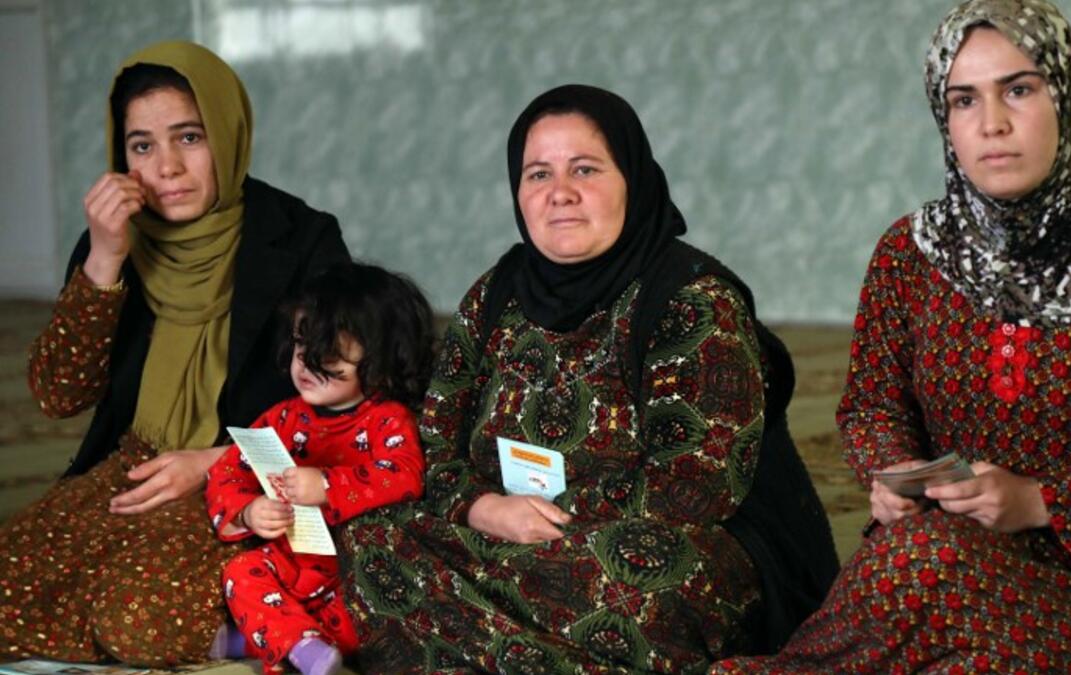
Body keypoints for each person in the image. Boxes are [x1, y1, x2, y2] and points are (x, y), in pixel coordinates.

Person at [712, 0, 1071, 672]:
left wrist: (1041, 503)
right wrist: (890, 475)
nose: (992, 124)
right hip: (939, 556)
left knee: (928, 568)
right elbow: (872, 405)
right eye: (963, 100)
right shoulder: (912, 255)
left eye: (1019, 90)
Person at [334, 84, 837, 674]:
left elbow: (693, 491)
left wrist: (546, 521)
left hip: (642, 544)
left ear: (633, 177)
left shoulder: (689, 300)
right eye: (538, 175)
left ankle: (466, 642)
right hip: (496, 532)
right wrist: (482, 509)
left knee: (646, 578)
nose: (560, 194)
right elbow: (435, 440)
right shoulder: (497, 293)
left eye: (585, 169)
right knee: (366, 535)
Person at [1, 41, 350, 667]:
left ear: (226, 132)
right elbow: (58, 395)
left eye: (189, 138)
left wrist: (215, 462)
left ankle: (267, 611)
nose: (166, 167)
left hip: (244, 480)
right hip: (134, 468)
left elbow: (352, 403)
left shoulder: (301, 239)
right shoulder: (113, 239)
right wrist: (105, 259)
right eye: (141, 146)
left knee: (141, 625)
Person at [206, 262, 433, 675]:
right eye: (300, 347)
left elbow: (405, 475)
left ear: (380, 362)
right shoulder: (282, 418)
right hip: (292, 559)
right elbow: (226, 472)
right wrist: (247, 510)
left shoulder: (388, 420)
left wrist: (328, 484)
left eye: (326, 355)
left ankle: (272, 642)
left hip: (353, 567)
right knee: (241, 572)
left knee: (376, 617)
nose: (306, 365)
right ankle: (297, 645)